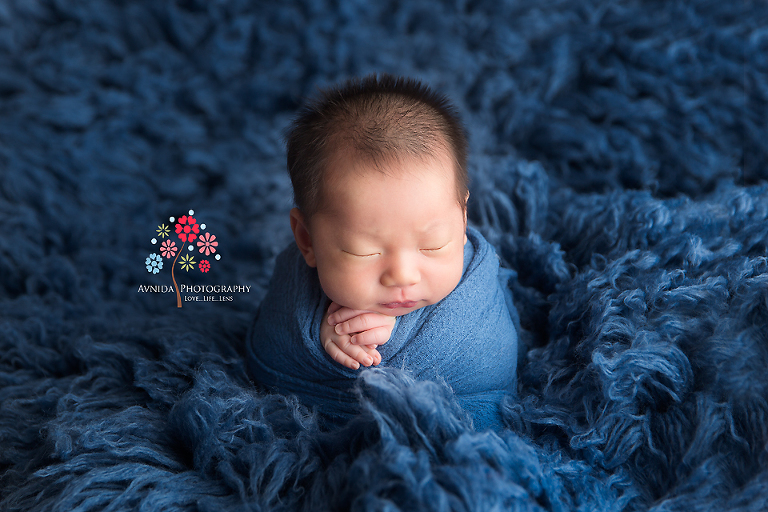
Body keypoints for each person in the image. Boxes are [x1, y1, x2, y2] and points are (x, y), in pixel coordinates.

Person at [247, 73, 518, 430]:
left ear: (463, 218)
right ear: (307, 240)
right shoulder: (294, 282)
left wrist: (390, 344)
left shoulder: (474, 305)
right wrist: (327, 340)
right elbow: (271, 354)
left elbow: (491, 362)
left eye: (433, 244)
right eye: (364, 251)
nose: (403, 275)